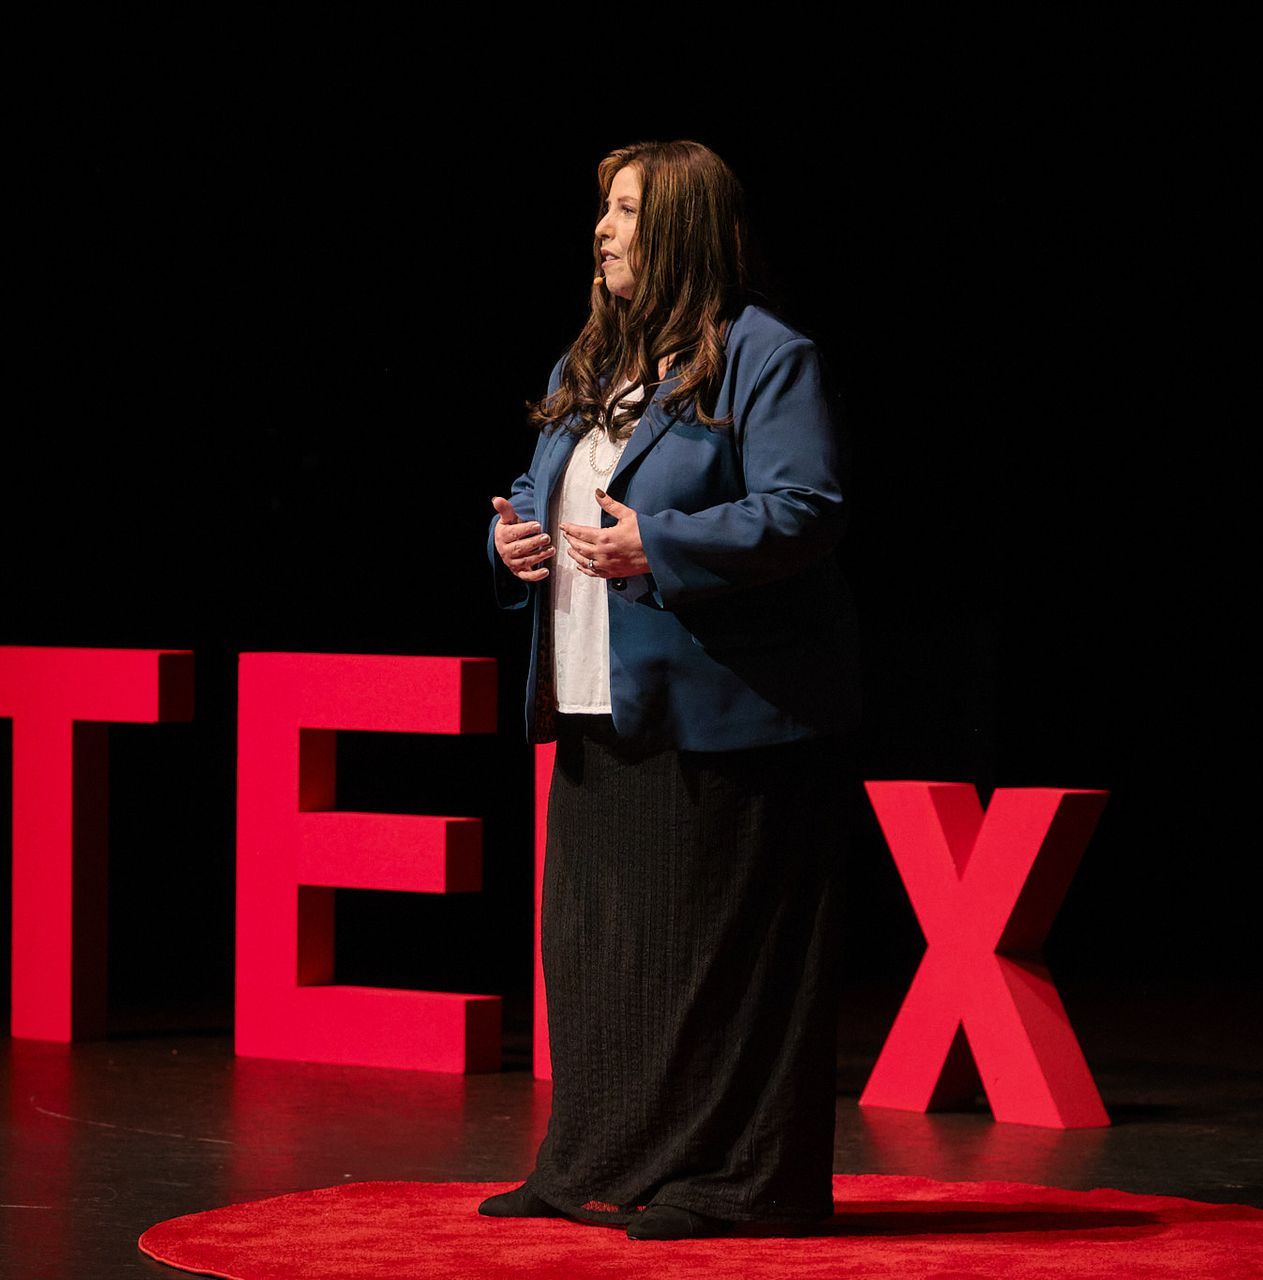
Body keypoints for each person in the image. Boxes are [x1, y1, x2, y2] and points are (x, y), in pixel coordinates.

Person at [477, 140, 863, 1242]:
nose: (602, 229)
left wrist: (667, 542)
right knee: (598, 949)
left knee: (711, 965)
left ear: (685, 227)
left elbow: (807, 505)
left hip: (734, 718)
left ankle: (731, 1182)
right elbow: (534, 485)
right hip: (602, 701)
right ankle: (593, 1162)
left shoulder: (765, 356)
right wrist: (506, 536)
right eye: (601, 209)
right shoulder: (588, 365)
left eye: (628, 210)